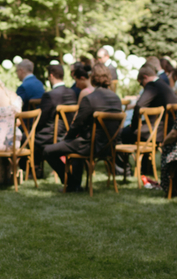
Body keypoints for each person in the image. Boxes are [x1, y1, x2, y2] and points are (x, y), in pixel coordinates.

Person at [45, 63, 122, 192]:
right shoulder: (116, 98)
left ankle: (71, 183)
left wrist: (66, 139)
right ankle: (75, 184)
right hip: (109, 147)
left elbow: (77, 125)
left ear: (92, 78)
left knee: (48, 150)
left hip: (91, 146)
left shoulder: (90, 99)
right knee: (77, 143)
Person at [115, 63, 177, 170]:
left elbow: (139, 105)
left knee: (119, 134)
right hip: (166, 129)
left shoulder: (152, 86)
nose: (142, 86)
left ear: (145, 77)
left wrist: (133, 126)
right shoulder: (163, 84)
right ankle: (145, 168)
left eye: (141, 83)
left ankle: (123, 168)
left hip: (155, 131)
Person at [33, 63, 78, 178]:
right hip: (67, 133)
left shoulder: (50, 95)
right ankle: (37, 168)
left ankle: (33, 170)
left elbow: (41, 120)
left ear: (51, 76)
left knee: (26, 138)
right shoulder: (72, 93)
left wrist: (32, 129)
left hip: (51, 135)